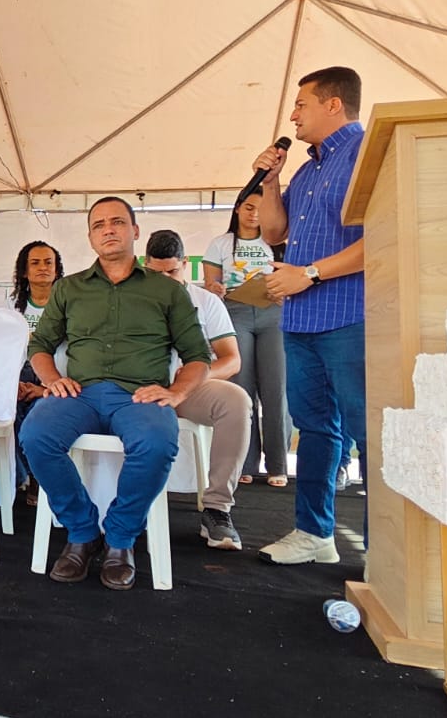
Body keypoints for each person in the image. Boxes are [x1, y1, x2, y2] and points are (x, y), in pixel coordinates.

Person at [20, 197, 210, 590]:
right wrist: (51, 379)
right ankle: (82, 532)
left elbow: (198, 356)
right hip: (81, 394)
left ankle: (121, 538)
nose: (108, 229)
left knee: (156, 443)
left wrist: (176, 393)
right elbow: (39, 344)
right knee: (36, 435)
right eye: (99, 224)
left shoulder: (167, 290)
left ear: (135, 231)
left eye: (118, 222)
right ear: (90, 237)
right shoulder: (69, 288)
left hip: (140, 396)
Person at [250, 66, 367, 565]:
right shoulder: (307, 168)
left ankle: (388, 552)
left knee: (368, 432)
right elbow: (275, 233)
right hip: (300, 321)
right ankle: (314, 533)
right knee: (315, 428)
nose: (294, 115)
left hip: (350, 317)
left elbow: (385, 236)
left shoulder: (366, 154)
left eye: (302, 104)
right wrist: (271, 182)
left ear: (333, 104)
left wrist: (311, 274)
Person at [142, 229, 252, 550]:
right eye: (157, 273)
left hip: (190, 390)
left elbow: (231, 360)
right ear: (145, 266)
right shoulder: (129, 300)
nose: (165, 280)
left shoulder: (206, 301)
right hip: (140, 389)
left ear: (185, 264)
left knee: (236, 401)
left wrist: (193, 376)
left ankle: (217, 509)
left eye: (172, 272)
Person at [202, 188, 291, 487]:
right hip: (235, 312)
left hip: (273, 313)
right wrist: (215, 288)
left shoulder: (277, 243)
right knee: (241, 387)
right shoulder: (220, 244)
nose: (254, 214)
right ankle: (246, 462)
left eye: (261, 209)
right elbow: (211, 283)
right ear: (238, 208)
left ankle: (278, 464)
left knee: (276, 388)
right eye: (249, 207)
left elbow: (291, 278)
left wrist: (283, 291)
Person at [8, 240, 65, 504]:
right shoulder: (11, 305)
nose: (43, 267)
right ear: (24, 271)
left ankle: (35, 477)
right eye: (35, 263)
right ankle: (21, 475)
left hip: (55, 374)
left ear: (57, 269)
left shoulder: (70, 304)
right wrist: (12, 383)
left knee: (37, 412)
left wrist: (44, 388)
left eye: (48, 262)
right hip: (18, 372)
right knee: (7, 409)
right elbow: (3, 346)